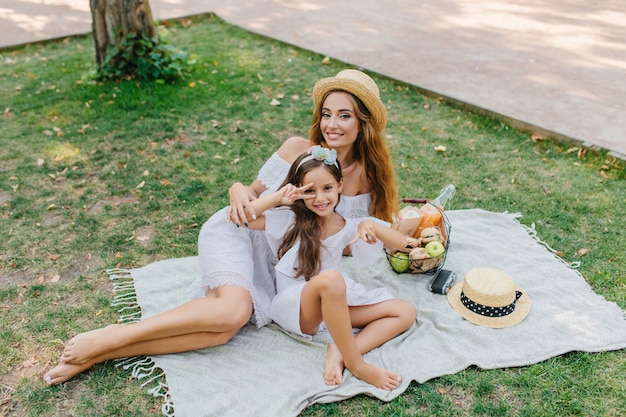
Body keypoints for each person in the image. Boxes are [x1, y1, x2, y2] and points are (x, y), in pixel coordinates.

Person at [44, 69, 400, 385]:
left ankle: (102, 353)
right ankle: (116, 335)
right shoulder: (297, 148)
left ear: (362, 123)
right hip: (242, 232)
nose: (331, 125)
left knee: (223, 331)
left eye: (344, 116)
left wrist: (384, 232)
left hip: (283, 263)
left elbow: (343, 237)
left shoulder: (367, 178)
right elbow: (250, 195)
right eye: (326, 114)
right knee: (232, 312)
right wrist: (235, 188)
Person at [243, 147, 416, 390]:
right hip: (299, 309)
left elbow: (399, 244)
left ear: (340, 185)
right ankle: (357, 365)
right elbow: (242, 218)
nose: (320, 198)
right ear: (299, 191)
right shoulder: (291, 219)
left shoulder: (348, 225)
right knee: (333, 279)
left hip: (332, 305)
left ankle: (341, 350)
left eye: (327, 188)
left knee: (405, 311)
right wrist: (278, 198)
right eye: (310, 191)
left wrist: (370, 225)